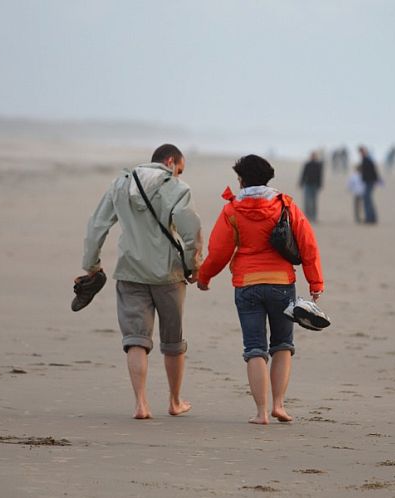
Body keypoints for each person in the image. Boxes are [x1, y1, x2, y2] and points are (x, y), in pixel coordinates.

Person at [196, 155, 324, 425]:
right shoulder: (285, 205)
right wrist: (315, 282)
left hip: (247, 285)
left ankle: (261, 412)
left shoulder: (232, 210)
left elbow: (219, 252)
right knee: (283, 346)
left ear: (241, 180)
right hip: (281, 283)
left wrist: (204, 277)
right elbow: (308, 243)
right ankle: (279, 405)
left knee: (255, 349)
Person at [78, 144, 203, 420]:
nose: (179, 174)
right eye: (179, 169)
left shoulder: (121, 184)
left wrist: (91, 265)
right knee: (173, 340)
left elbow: (97, 225)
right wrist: (195, 266)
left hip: (130, 272)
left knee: (136, 339)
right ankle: (175, 400)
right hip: (169, 275)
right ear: (171, 162)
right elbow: (190, 229)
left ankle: (141, 404)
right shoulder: (177, 189)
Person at [299, 151, 323, 222]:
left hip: (315, 185)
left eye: (314, 156)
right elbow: (304, 173)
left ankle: (314, 217)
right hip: (307, 184)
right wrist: (301, 182)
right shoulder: (307, 164)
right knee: (307, 201)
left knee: (314, 201)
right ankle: (307, 216)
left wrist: (320, 184)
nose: (313, 157)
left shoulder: (318, 165)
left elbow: (320, 176)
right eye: (312, 156)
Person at [358, 145, 380, 224]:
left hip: (369, 182)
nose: (361, 153)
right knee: (368, 200)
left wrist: (375, 180)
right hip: (368, 182)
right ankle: (371, 217)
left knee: (367, 200)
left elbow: (373, 171)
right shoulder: (365, 159)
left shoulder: (367, 159)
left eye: (362, 151)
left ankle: (370, 218)